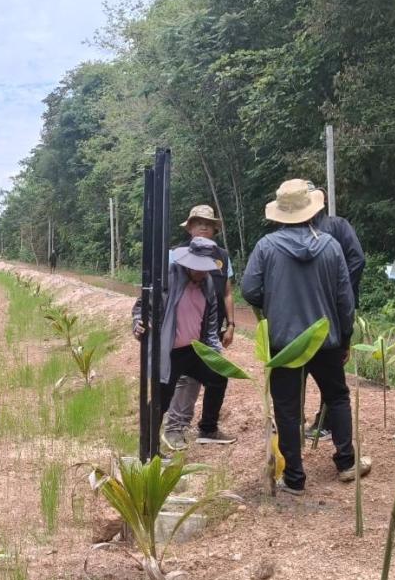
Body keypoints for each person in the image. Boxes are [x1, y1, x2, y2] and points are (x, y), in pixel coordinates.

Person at [241, 179, 368, 495]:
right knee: (336, 396)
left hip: (284, 343)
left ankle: (295, 478)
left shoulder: (266, 247)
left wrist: (272, 301)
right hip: (325, 340)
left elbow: (249, 290)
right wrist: (345, 337)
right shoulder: (331, 246)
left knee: (286, 407)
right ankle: (347, 462)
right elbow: (344, 300)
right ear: (311, 210)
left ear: (280, 213)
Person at [131, 236, 229, 452]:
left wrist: (215, 353)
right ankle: (148, 448)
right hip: (169, 352)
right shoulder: (167, 278)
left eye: (205, 268)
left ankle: (208, 429)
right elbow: (140, 307)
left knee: (219, 378)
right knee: (161, 400)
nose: (201, 273)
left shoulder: (208, 284)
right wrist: (138, 323)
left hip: (194, 350)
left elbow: (211, 322)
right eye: (198, 268)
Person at [174, 205, 237, 444]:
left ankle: (208, 428)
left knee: (217, 376)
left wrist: (230, 324)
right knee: (185, 380)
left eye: (208, 224)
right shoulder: (177, 255)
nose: (203, 227)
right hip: (185, 332)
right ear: (189, 227)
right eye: (198, 222)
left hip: (211, 329)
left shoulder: (222, 256)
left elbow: (228, 293)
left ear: (214, 229)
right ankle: (176, 428)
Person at [304, 195, 365, 440]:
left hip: (333, 307)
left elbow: (357, 259)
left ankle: (326, 421)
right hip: (314, 307)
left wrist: (341, 290)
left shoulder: (337, 225)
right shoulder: (295, 231)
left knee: (330, 365)